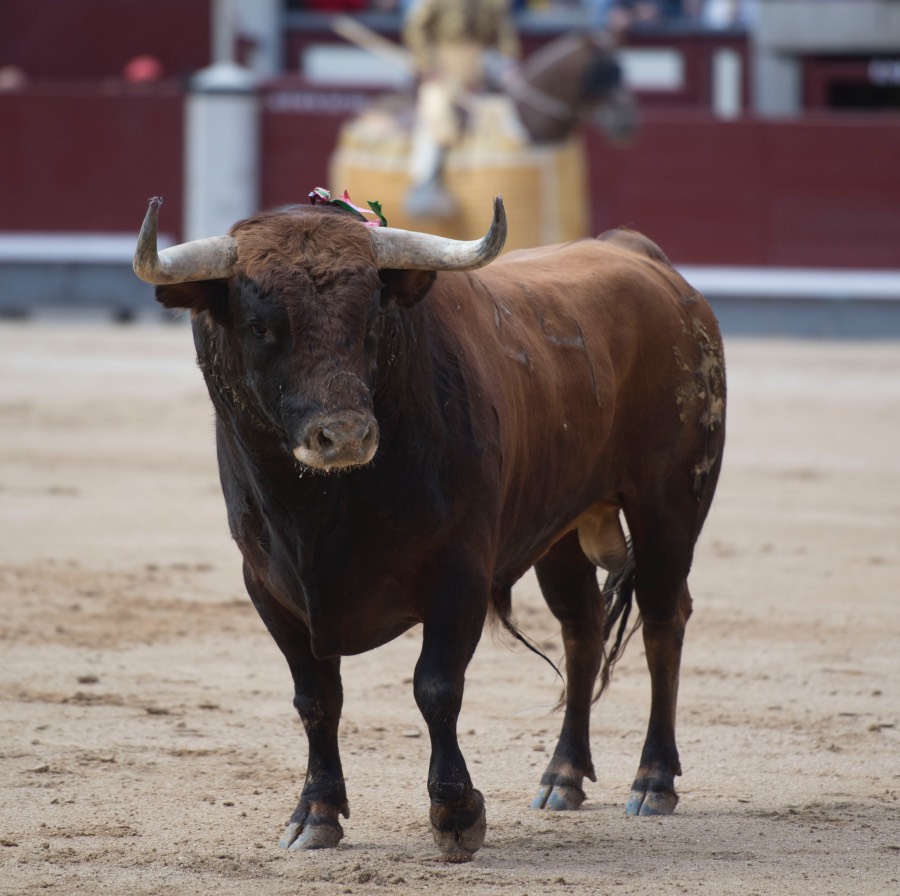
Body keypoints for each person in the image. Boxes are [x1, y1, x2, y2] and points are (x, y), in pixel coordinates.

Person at [402, 0, 520, 217]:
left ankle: (507, 180)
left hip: (480, 67)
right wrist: (427, 65)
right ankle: (425, 184)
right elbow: (417, 28)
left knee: (505, 113)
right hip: (443, 67)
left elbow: (504, 33)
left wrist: (506, 63)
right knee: (435, 111)